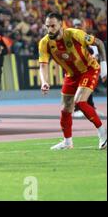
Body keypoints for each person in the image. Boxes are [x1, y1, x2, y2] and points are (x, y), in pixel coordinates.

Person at [39, 13, 107, 150]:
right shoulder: (44, 43)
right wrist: (44, 81)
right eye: (47, 26)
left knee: (80, 102)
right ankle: (67, 142)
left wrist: (104, 68)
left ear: (61, 25)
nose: (50, 29)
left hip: (89, 69)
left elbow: (99, 43)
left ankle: (103, 134)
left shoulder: (74, 34)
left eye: (53, 26)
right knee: (65, 109)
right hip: (71, 75)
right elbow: (43, 64)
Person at [71, 18, 104, 118]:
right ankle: (76, 109)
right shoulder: (71, 43)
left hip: (89, 69)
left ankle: (91, 108)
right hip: (77, 69)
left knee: (88, 89)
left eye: (80, 29)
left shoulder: (90, 42)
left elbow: (97, 55)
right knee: (79, 89)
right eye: (76, 29)